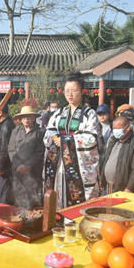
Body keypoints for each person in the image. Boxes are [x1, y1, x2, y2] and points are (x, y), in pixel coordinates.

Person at [43, 72, 101, 208]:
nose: (70, 94)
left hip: (79, 166)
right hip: (59, 165)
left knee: (79, 201)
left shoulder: (89, 114)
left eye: (74, 91)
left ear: (82, 92)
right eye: (67, 91)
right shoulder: (58, 113)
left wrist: (65, 141)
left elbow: (91, 138)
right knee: (59, 193)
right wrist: (55, 138)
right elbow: (49, 133)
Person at [7, 106, 45, 208]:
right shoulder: (16, 131)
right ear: (21, 119)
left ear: (33, 118)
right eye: (24, 117)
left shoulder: (40, 133)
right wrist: (18, 165)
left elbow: (39, 153)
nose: (26, 120)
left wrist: (27, 166)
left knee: (33, 196)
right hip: (17, 170)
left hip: (33, 171)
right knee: (18, 195)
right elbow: (11, 149)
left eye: (29, 117)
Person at [100, 117, 134, 194]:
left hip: (123, 189)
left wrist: (129, 188)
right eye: (114, 129)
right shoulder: (113, 140)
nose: (115, 131)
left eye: (118, 129)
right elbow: (106, 160)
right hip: (107, 186)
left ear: (127, 128)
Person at [0, 104, 15, 204]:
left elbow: (4, 148)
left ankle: (3, 215)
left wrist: (0, 167)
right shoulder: (1, 124)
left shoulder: (7, 125)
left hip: (3, 167)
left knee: (3, 193)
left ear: (0, 112)